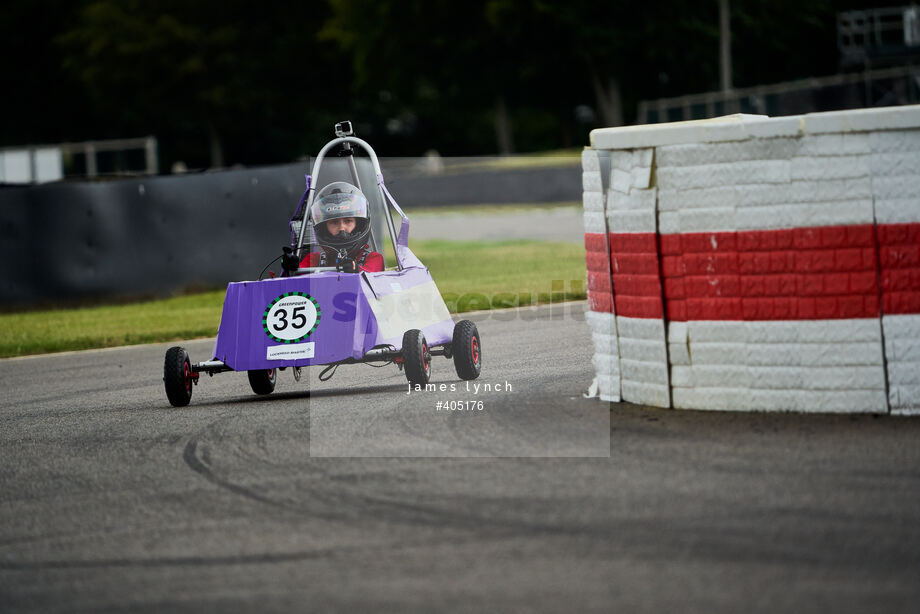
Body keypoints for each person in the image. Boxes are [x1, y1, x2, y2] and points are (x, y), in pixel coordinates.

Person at [282, 181, 384, 274]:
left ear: (359, 224)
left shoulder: (373, 258)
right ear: (324, 228)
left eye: (348, 221)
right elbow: (295, 284)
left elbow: (372, 276)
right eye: (334, 222)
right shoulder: (314, 259)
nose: (341, 228)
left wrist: (356, 270)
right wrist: (289, 267)